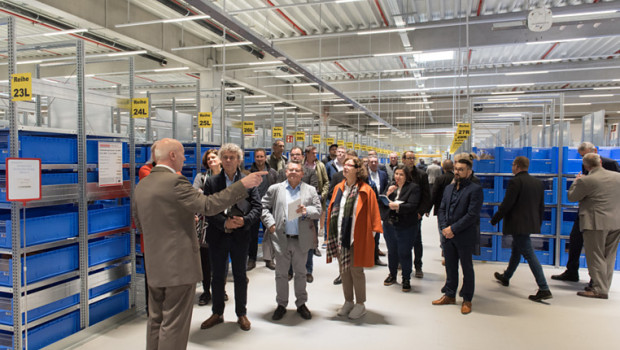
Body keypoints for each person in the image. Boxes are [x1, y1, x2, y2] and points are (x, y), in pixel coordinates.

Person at [133, 138, 265, 349]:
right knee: (174, 323)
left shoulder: (142, 185)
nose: (185, 158)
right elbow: (208, 205)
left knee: (156, 319)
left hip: (154, 263)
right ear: (173, 156)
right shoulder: (176, 182)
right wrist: (243, 185)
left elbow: (139, 222)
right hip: (178, 266)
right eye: (183, 154)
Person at [201, 143, 262, 332]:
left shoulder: (248, 181)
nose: (228, 160)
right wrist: (223, 222)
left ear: (238, 160)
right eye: (225, 157)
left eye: (232, 157)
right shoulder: (211, 182)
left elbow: (257, 207)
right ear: (220, 159)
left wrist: (244, 221)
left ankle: (241, 314)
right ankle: (217, 313)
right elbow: (207, 208)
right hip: (218, 235)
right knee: (217, 276)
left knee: (240, 275)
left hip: (240, 236)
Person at [261, 161, 322, 321]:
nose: (294, 172)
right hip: (281, 238)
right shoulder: (275, 189)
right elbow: (263, 207)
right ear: (286, 172)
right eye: (291, 170)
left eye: (297, 170)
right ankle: (281, 304)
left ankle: (301, 303)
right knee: (281, 274)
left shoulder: (310, 190)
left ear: (302, 173)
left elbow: (318, 211)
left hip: (301, 240)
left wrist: (306, 211)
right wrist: (270, 223)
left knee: (301, 273)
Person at [552, 142, 620, 282]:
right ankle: (572, 271)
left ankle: (596, 281)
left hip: (603, 213)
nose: (584, 160)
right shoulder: (586, 163)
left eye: (585, 156)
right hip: (586, 209)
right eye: (582, 157)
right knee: (575, 239)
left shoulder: (611, 164)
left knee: (598, 250)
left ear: (595, 151)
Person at [326, 156, 383, 319]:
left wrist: (370, 237)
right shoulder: (339, 188)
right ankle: (348, 301)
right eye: (344, 165)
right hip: (340, 237)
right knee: (344, 271)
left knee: (356, 271)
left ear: (358, 169)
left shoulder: (365, 190)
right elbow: (334, 211)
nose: (345, 167)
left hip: (356, 237)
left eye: (349, 165)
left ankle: (360, 304)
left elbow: (373, 214)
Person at [490, 156, 552, 302]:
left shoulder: (515, 181)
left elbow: (507, 204)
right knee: (516, 250)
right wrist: (538, 222)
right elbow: (541, 206)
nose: (512, 168)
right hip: (530, 223)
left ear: (517, 166)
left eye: (512, 165)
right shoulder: (537, 182)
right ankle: (506, 277)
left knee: (529, 255)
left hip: (518, 224)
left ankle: (544, 288)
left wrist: (495, 219)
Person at [567, 153, 620, 299]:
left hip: (595, 222)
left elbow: (572, 197)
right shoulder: (617, 176)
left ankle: (598, 289)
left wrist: (576, 181)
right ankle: (604, 287)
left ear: (586, 166)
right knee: (609, 256)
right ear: (600, 162)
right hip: (616, 222)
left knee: (595, 255)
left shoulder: (587, 180)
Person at [433, 158, 482, 315]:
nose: (457, 172)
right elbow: (441, 209)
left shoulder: (475, 189)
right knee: (450, 266)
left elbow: (472, 215)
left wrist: (453, 229)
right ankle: (449, 294)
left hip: (464, 236)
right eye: (456, 169)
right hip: (447, 235)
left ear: (469, 172)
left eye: (461, 169)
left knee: (467, 268)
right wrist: (443, 228)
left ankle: (467, 299)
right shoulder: (448, 189)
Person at [277, 146, 319, 282]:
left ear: (302, 156)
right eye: (293, 154)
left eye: (298, 154)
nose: (295, 157)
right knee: (288, 242)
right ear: (290, 155)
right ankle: (289, 271)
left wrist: (303, 206)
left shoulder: (310, 172)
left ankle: (308, 270)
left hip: (305, 211)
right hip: (287, 211)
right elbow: (278, 191)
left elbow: (314, 189)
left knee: (308, 243)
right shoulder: (283, 172)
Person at [192, 149, 223, 306]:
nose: (211, 160)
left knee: (220, 258)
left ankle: (220, 289)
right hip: (204, 223)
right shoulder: (201, 177)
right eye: (209, 158)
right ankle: (206, 291)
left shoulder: (227, 176)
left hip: (223, 222)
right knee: (205, 260)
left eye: (214, 157)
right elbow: (195, 195)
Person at [382, 165, 420, 292]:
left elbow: (413, 205)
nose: (398, 177)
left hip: (406, 225)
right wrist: (388, 194)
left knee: (404, 252)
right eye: (396, 174)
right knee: (392, 251)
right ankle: (392, 275)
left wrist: (398, 207)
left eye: (401, 174)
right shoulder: (391, 186)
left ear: (406, 176)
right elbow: (383, 202)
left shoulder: (413, 188)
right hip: (390, 224)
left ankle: (406, 278)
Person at [401, 151, 432, 278]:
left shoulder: (421, 175)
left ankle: (418, 265)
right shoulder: (400, 172)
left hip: (415, 213)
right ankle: (400, 262)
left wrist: (421, 211)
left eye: (413, 158)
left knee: (416, 240)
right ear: (403, 160)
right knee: (400, 240)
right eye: (409, 158)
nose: (411, 160)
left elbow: (426, 195)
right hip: (401, 211)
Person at [248, 148, 279, 271]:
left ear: (265, 157)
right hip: (253, 207)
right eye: (257, 157)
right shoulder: (249, 172)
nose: (260, 159)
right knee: (252, 234)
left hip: (268, 207)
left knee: (269, 233)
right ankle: (251, 259)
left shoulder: (272, 173)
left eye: (262, 156)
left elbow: (277, 189)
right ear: (254, 158)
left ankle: (269, 258)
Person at [305, 145, 329, 260]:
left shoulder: (320, 166)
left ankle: (315, 247)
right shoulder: (302, 165)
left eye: (316, 153)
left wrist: (322, 195)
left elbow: (326, 182)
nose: (315, 155)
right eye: (313, 153)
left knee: (314, 223)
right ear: (307, 153)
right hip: (304, 198)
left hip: (317, 197)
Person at [431, 159, 454, 265]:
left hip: (441, 209)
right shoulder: (456, 178)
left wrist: (428, 208)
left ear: (443, 167)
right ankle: (449, 251)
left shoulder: (440, 179)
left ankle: (445, 253)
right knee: (452, 230)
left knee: (442, 230)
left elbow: (434, 194)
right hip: (453, 209)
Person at [367, 155, 388, 266]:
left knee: (377, 230)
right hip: (368, 205)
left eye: (375, 161)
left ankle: (375, 257)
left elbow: (385, 186)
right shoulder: (364, 174)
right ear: (368, 163)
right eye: (372, 162)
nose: (374, 163)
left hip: (379, 205)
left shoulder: (383, 174)